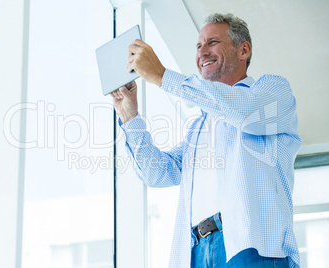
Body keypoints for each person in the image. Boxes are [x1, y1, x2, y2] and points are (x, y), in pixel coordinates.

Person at [111, 13, 301, 268]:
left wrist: (162, 76)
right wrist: (130, 116)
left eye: (212, 42)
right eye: (199, 46)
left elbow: (245, 113)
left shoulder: (272, 91)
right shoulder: (200, 127)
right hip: (196, 254)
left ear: (243, 50)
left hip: (252, 249)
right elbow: (158, 173)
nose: (202, 52)